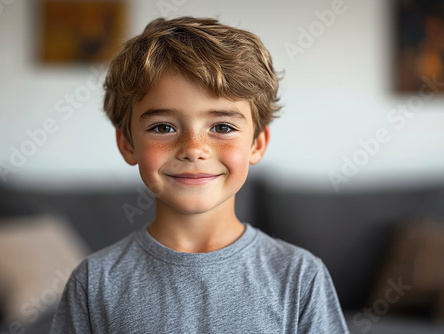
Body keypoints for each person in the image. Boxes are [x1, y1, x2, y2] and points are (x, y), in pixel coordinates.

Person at [49, 16, 349, 333]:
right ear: (127, 144)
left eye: (222, 127)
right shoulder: (94, 281)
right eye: (163, 127)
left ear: (256, 144)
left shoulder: (300, 276)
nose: (194, 149)